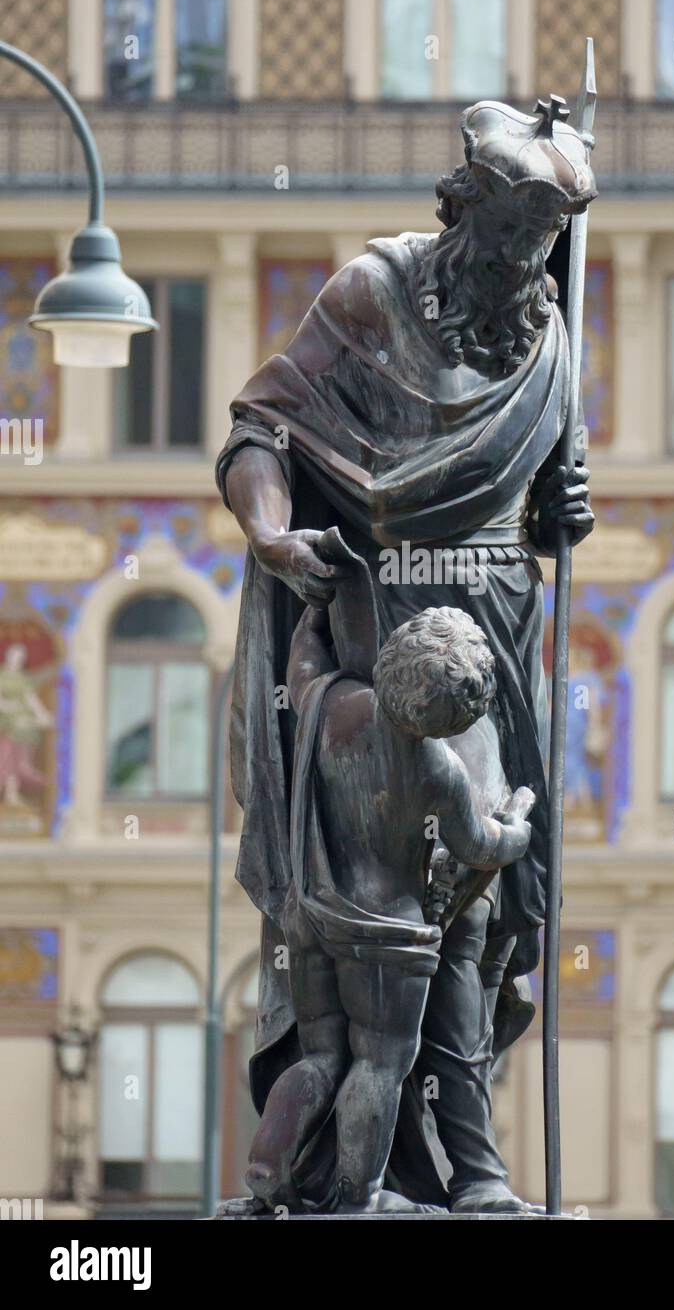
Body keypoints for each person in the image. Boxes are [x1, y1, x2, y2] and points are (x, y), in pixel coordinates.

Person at [217, 95, 596, 1210]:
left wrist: (562, 513)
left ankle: (469, 1176)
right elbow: (262, 430)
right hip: (378, 644)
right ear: (458, 215)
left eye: (539, 253)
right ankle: (351, 1178)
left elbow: (542, 500)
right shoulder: (369, 294)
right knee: (389, 916)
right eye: (502, 247)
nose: (518, 275)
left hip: (497, 649)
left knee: (483, 925)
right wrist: (271, 530)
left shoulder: (550, 329)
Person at [245, 604, 534, 1214]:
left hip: (312, 914)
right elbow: (480, 846)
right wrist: (517, 827)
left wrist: (313, 618)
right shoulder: (440, 770)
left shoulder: (336, 707)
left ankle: (266, 1161)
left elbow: (302, 670)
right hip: (389, 937)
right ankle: (363, 1195)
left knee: (323, 1055)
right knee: (379, 1064)